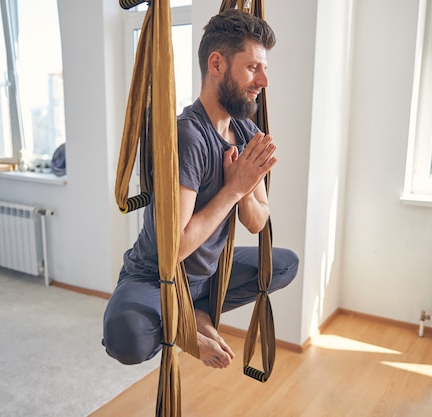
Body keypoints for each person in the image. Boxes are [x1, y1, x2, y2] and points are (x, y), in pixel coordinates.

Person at [103, 8, 298, 370]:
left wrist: (244, 187)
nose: (263, 81)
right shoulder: (188, 136)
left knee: (284, 265)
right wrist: (234, 188)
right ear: (217, 64)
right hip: (155, 275)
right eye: (254, 68)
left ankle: (195, 311)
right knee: (125, 338)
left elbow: (257, 222)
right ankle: (184, 327)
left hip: (206, 277)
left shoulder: (247, 134)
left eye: (264, 69)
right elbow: (173, 250)